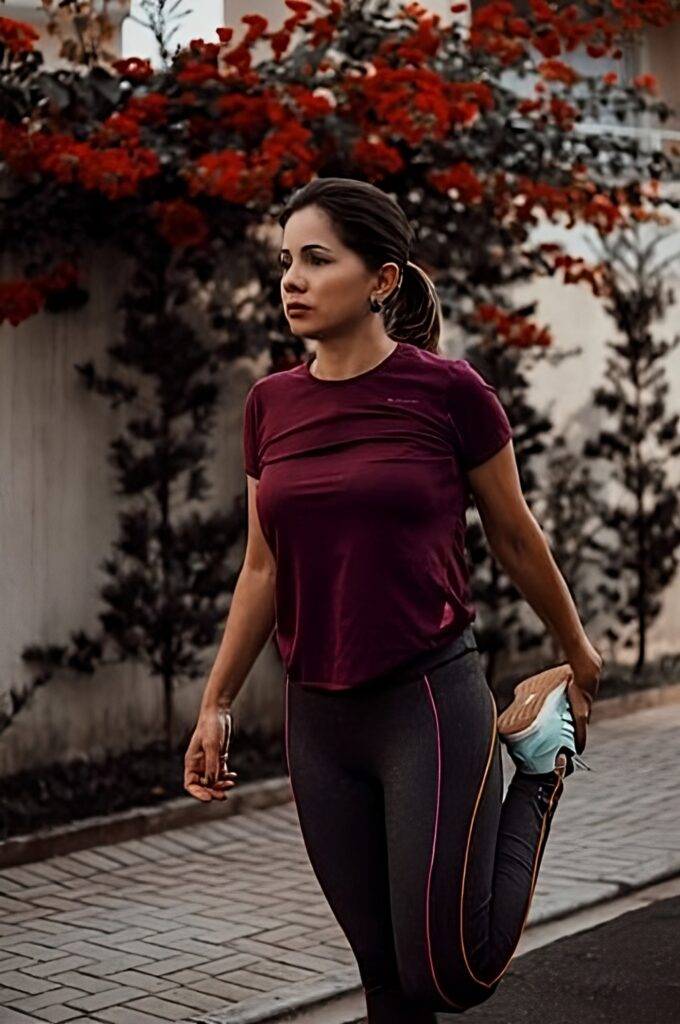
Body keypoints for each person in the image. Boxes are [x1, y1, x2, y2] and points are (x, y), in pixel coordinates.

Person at [184, 177, 603, 1022]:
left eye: (316, 259)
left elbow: (516, 536)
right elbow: (262, 567)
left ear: (382, 279)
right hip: (319, 720)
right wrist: (216, 701)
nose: (291, 281)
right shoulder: (270, 404)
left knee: (449, 977)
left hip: (428, 700)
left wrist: (579, 654)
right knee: (384, 982)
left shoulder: (450, 393)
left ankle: (539, 771)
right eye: (283, 263)